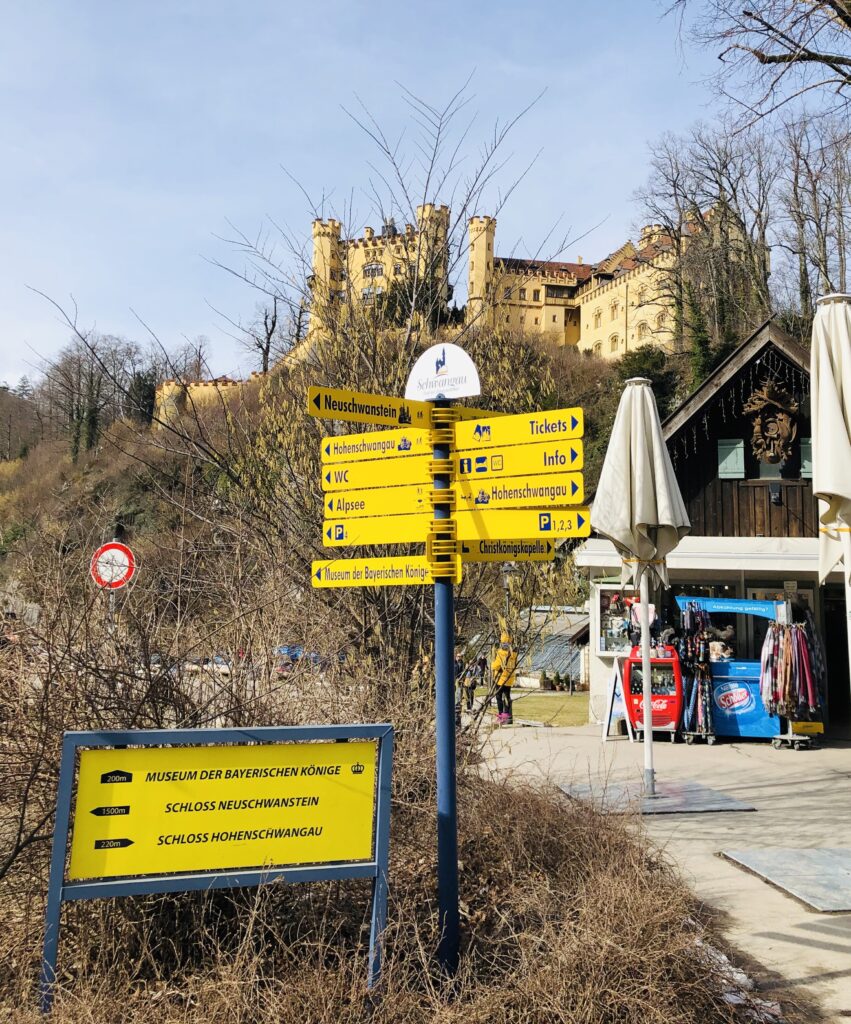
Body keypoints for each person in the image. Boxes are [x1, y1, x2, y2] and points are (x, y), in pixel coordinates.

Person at [491, 633, 518, 725]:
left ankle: (500, 715)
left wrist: (492, 664)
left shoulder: (501, 653)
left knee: (498, 697)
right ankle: (506, 715)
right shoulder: (514, 654)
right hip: (510, 678)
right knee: (507, 696)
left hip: (501, 679)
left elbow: (496, 666)